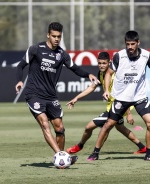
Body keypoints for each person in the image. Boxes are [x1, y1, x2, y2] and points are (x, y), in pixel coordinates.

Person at [15, 22, 100, 164]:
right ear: (48, 35)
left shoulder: (62, 54)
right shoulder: (36, 49)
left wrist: (88, 75)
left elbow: (75, 68)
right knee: (44, 124)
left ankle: (61, 161)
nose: (56, 39)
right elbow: (20, 65)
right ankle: (62, 156)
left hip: (51, 96)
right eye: (54, 36)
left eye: (59, 37)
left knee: (60, 127)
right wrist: (19, 81)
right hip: (34, 94)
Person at [87, 30, 150, 162]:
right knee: (108, 125)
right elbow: (108, 74)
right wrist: (106, 90)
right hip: (121, 98)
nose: (129, 47)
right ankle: (95, 153)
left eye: (132, 44)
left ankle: (149, 154)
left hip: (140, 97)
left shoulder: (146, 55)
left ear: (138, 43)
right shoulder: (119, 56)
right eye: (127, 44)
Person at [66, 51, 147, 155]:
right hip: (113, 107)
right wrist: (76, 98)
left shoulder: (115, 75)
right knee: (120, 127)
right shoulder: (100, 74)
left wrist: (129, 114)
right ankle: (142, 147)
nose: (101, 65)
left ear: (109, 62)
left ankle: (80, 146)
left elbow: (124, 95)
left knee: (89, 127)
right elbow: (91, 87)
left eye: (104, 63)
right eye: (99, 63)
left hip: (120, 106)